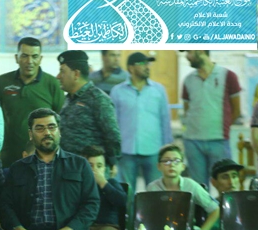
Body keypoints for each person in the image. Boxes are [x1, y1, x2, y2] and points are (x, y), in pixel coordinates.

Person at [0, 37, 64, 167]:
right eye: (24, 56)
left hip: (43, 158)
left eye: (34, 56)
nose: (29, 61)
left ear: (40, 59)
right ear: (16, 58)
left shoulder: (52, 84)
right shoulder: (3, 82)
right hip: (9, 156)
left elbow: (60, 120)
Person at [110, 52, 172, 192]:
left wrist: (167, 147)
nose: (147, 67)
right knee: (126, 192)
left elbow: (165, 119)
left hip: (154, 150)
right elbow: (113, 122)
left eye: (148, 64)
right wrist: (114, 150)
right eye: (143, 64)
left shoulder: (159, 90)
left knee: (155, 192)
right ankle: (129, 208)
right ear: (131, 68)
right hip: (126, 150)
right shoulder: (117, 91)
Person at [181, 50, 241, 187]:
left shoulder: (228, 76)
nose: (187, 56)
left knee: (226, 186)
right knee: (199, 188)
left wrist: (222, 128)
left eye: (189, 52)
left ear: (201, 50)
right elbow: (187, 110)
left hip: (219, 141)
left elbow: (236, 110)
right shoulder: (188, 80)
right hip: (193, 142)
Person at [56, 50, 121, 175]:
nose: (58, 76)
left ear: (76, 74)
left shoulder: (98, 99)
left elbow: (112, 135)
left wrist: (112, 162)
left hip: (91, 171)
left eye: (62, 71)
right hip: (69, 169)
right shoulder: (68, 99)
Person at [146, 144, 220, 230]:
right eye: (166, 161)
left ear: (183, 166)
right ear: (159, 166)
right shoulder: (152, 188)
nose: (172, 165)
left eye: (177, 161)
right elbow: (148, 215)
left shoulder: (191, 185)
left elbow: (215, 209)